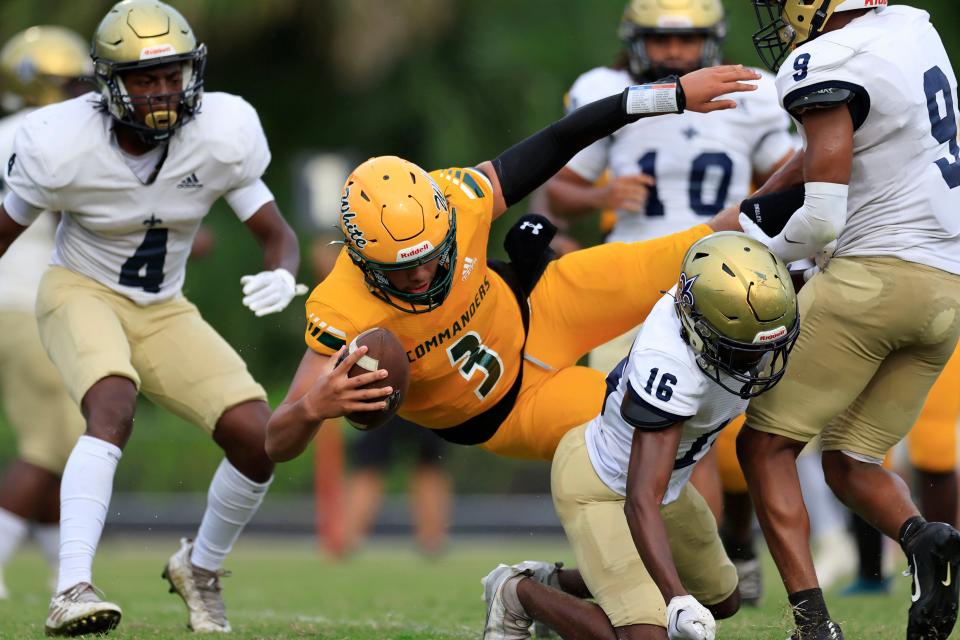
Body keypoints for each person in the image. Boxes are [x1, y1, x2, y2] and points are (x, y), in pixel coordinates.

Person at [265, 64, 769, 466]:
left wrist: (667, 96)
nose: (421, 275)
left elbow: (557, 140)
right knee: (656, 431)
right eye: (401, 269)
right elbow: (275, 441)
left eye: (431, 256)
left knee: (709, 246)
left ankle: (833, 172)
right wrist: (312, 408)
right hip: (513, 410)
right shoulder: (342, 309)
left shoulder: (457, 198)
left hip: (541, 302)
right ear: (363, 261)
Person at [0, 0, 304, 635]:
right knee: (112, 405)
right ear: (110, 83)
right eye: (145, 79)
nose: (164, 92)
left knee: (259, 437)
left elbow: (275, 232)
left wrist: (281, 271)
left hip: (164, 307)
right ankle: (71, 586)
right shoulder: (58, 142)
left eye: (173, 75)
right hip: (79, 290)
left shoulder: (221, 132)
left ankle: (201, 567)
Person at [544, 0, 796, 604]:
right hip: (630, 279)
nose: (676, 53)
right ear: (635, 39)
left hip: (722, 280)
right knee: (640, 430)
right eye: (660, 40)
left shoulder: (751, 92)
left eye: (688, 41)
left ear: (713, 41)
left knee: (730, 441)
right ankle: (659, 574)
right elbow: (554, 183)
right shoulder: (604, 90)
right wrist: (603, 192)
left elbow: (788, 174)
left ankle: (727, 549)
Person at [736, 2, 960, 639]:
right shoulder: (914, 26)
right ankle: (925, 538)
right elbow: (834, 151)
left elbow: (823, 219)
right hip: (948, 288)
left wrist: (751, 251)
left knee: (763, 444)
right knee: (850, 459)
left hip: (874, 277)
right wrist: (751, 210)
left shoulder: (825, 58)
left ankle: (812, 624)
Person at [479, 232, 799, 640]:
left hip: (667, 485)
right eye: (740, 348)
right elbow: (639, 501)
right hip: (603, 484)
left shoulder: (724, 308)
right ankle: (517, 593)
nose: (755, 361)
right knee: (650, 635)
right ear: (700, 326)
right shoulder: (669, 366)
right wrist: (676, 597)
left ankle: (555, 584)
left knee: (722, 600)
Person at [0, 25, 92, 601]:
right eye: (72, 81)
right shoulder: (43, 133)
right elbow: (80, 217)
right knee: (55, 444)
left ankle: (66, 574)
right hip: (26, 298)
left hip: (11, 297)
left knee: (62, 439)